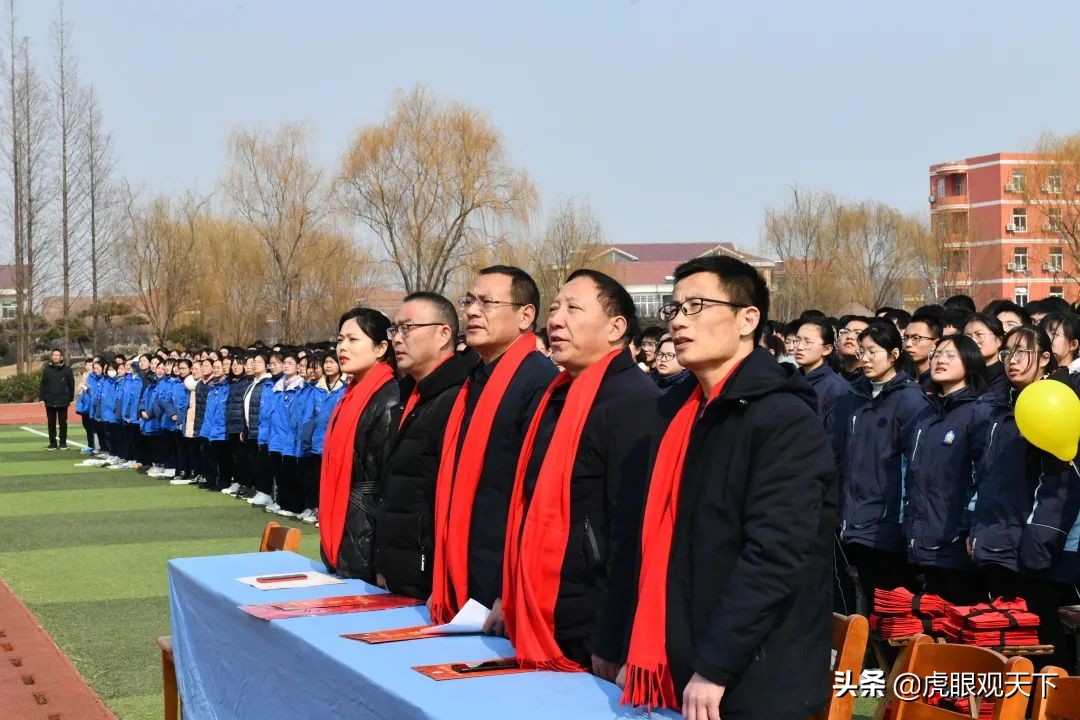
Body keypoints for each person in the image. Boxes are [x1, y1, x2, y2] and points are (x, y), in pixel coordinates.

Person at [616, 255, 837, 719]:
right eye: (673, 309)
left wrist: (715, 666)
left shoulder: (782, 419)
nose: (678, 321)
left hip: (750, 676)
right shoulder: (679, 413)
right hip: (681, 658)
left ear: (747, 319)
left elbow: (774, 555)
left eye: (696, 306)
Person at [502, 269, 659, 672]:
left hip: (591, 624)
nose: (555, 320)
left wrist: (612, 638)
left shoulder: (634, 403)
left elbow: (632, 534)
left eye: (573, 308)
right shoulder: (556, 397)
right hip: (546, 608)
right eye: (555, 308)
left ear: (616, 327)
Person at [429, 265, 557, 630]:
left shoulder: (538, 381)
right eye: (470, 301)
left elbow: (535, 499)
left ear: (525, 315)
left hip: (501, 590)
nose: (471, 311)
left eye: (487, 302)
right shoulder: (477, 379)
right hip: (463, 575)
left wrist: (508, 590)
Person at [969, 326, 1074, 668]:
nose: (1011, 361)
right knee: (1004, 650)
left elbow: (1059, 485)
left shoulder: (1054, 403)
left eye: (1022, 352)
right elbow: (986, 478)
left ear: (1045, 358)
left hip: (1030, 552)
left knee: (1043, 649)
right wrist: (976, 530)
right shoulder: (997, 409)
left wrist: (1038, 543)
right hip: (995, 543)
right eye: (1007, 353)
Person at [375, 292, 477, 599]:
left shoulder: (459, 398)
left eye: (408, 328)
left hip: (429, 581)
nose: (397, 339)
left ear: (443, 334)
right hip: (398, 572)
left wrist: (439, 581)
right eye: (394, 330)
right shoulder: (407, 394)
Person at [833, 320, 930, 613]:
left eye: (873, 352)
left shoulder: (910, 399)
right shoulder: (852, 397)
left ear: (894, 354)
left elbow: (913, 468)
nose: (865, 359)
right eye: (862, 351)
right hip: (852, 518)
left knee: (887, 608)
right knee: (852, 605)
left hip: (887, 522)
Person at [900, 335, 990, 605]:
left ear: (970, 361)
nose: (940, 360)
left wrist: (968, 528)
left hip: (957, 542)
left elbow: (982, 478)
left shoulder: (978, 413)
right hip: (923, 540)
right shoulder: (926, 416)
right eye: (937, 354)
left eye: (951, 355)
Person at [318, 309, 399, 579]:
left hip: (367, 532)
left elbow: (389, 485)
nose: (342, 347)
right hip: (346, 525)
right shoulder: (350, 396)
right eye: (340, 340)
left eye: (353, 340)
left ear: (381, 348)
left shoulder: (388, 399)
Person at [297, 352, 346, 523]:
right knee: (317, 478)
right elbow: (308, 417)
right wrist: (306, 439)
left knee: (333, 480)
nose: (328, 365)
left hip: (335, 442)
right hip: (317, 441)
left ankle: (330, 513)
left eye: (332, 362)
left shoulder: (345, 388)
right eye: (326, 362)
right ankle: (317, 510)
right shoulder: (316, 389)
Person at [793, 318, 852, 431]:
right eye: (797, 340)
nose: (799, 347)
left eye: (807, 342)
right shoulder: (791, 381)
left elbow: (836, 440)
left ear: (827, 349)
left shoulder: (838, 390)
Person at [964, 313, 1008, 399]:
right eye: (968, 337)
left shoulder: (1008, 376)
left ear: (1000, 340)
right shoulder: (961, 375)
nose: (973, 341)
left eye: (979, 335)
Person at [39, 349, 74, 450]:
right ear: (51, 357)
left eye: (57, 355)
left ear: (61, 357)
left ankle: (63, 443)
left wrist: (69, 399)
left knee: (63, 423)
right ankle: (53, 443)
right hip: (49, 401)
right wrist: (41, 398)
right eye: (54, 355)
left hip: (63, 401)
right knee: (51, 423)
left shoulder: (67, 370)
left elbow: (71, 385)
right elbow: (43, 385)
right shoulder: (47, 369)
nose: (55, 357)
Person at [903, 312, 942, 392]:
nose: (908, 344)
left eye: (916, 338)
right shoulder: (903, 378)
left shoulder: (938, 383)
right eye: (906, 338)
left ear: (935, 344)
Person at [836, 316, 871, 383]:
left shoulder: (871, 379)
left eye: (858, 333)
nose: (849, 336)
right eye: (846, 332)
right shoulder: (831, 372)